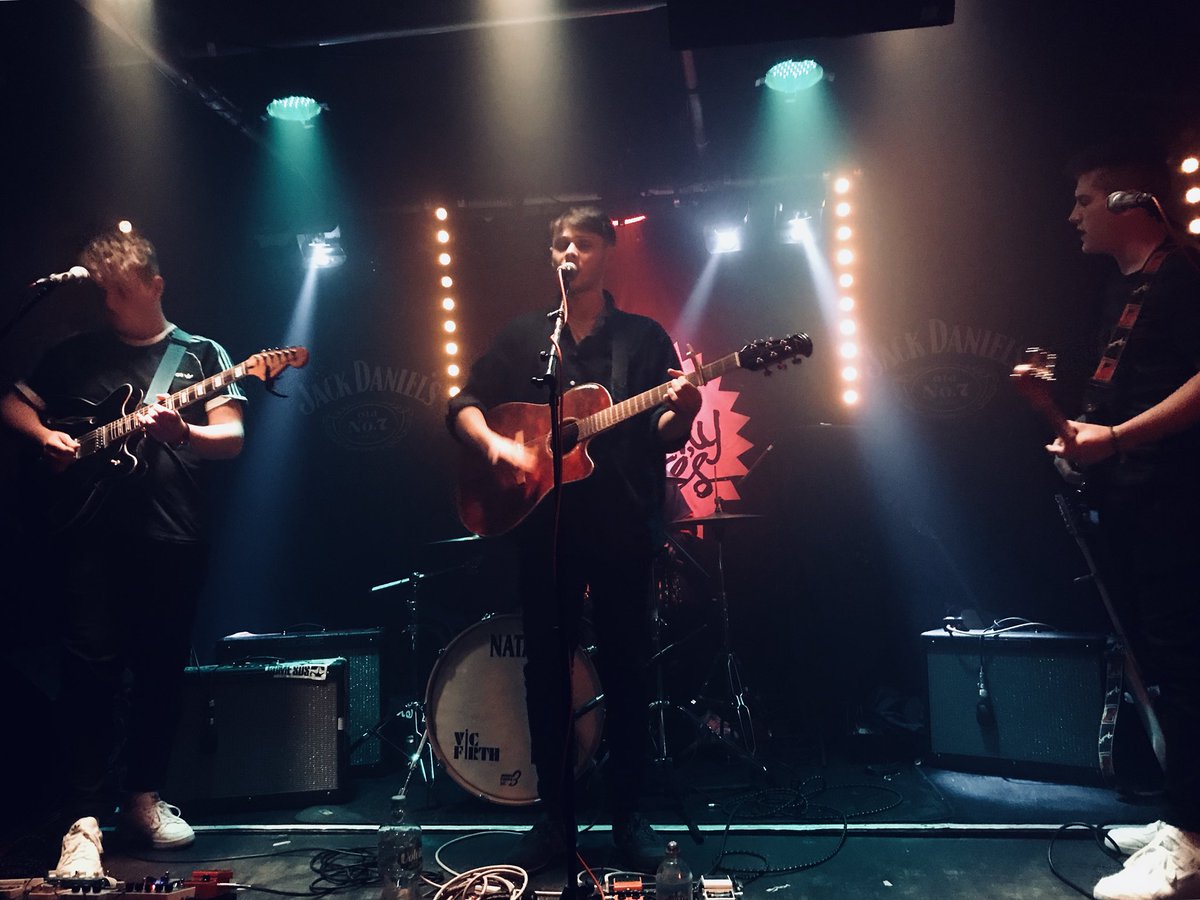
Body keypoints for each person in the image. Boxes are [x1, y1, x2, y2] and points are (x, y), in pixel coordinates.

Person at [447, 206, 702, 873]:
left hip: (622, 529)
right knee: (545, 676)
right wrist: (497, 446)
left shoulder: (643, 339)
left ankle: (629, 816)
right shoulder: (525, 337)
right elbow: (462, 404)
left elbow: (663, 433)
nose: (570, 253)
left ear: (607, 252)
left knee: (627, 671)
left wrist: (685, 409)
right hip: (544, 531)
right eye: (561, 244)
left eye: (583, 244)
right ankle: (555, 818)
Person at [0, 228, 245, 866]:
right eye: (103, 292)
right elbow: (13, 404)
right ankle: (81, 820)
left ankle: (143, 798)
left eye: (121, 292)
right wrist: (45, 438)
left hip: (173, 535)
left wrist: (182, 431)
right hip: (89, 537)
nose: (108, 303)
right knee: (88, 672)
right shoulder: (76, 353)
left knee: (161, 671)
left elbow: (231, 438)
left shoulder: (204, 354)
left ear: (155, 286)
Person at [1048, 143, 1200, 900]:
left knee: (1186, 664)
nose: (1072, 215)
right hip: (1137, 499)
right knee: (1161, 667)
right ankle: (1184, 814)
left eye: (1084, 200)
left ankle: (1193, 845)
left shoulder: (1187, 275)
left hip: (1181, 500)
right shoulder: (1123, 290)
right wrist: (1083, 437)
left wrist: (1115, 439)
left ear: (1127, 202)